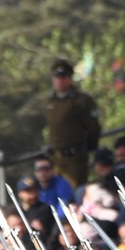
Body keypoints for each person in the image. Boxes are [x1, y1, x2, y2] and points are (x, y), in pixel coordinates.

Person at [43, 59, 102, 189]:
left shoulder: (81, 101)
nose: (59, 81)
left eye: (63, 77)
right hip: (55, 158)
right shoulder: (50, 100)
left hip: (75, 158)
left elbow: (93, 128)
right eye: (57, 77)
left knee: (74, 194)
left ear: (70, 79)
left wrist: (88, 149)